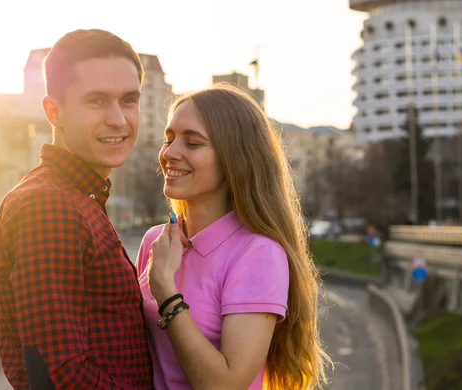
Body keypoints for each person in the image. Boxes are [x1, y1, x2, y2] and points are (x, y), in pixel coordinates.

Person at [0, 29, 153, 389]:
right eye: (96, 101)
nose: (119, 120)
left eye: (128, 100)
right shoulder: (48, 205)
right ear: (53, 111)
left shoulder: (82, 198)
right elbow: (59, 376)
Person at [136, 85, 331, 389]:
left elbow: (225, 386)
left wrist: (166, 294)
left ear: (234, 157)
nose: (170, 153)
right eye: (169, 139)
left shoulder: (258, 254)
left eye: (192, 142)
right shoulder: (155, 242)